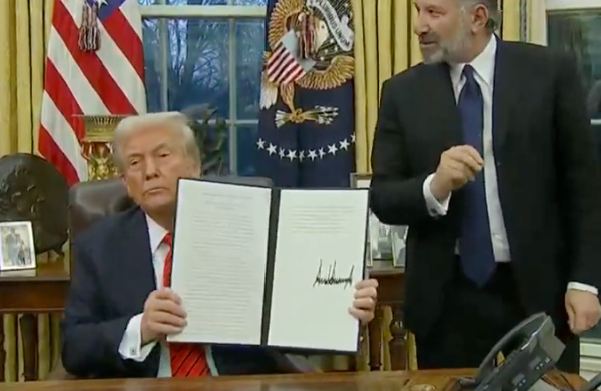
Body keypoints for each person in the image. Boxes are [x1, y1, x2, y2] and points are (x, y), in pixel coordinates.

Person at [369, 0, 601, 373]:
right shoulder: (402, 92)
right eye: (418, 10)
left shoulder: (549, 74)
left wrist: (584, 282)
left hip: (540, 293)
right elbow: (383, 197)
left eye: (434, 12)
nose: (419, 25)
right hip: (447, 299)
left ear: (477, 17)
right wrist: (435, 186)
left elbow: (584, 189)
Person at [62, 111, 378, 379]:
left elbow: (289, 323)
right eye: (135, 162)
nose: (150, 171)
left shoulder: (250, 229)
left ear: (195, 167)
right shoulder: (98, 246)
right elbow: (73, 347)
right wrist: (140, 329)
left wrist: (343, 311)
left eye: (163, 155)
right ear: (126, 185)